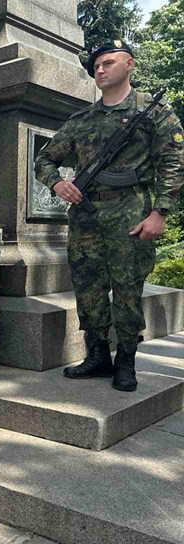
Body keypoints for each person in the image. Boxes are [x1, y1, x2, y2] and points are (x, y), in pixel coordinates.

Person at [35, 40, 184, 392]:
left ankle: (126, 361)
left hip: (130, 210)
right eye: (96, 66)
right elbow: (44, 159)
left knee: (128, 287)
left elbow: (174, 161)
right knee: (88, 286)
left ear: (129, 64)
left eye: (108, 63)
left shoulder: (153, 111)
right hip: (85, 215)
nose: (100, 70)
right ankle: (98, 354)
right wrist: (58, 183)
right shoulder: (81, 120)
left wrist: (160, 212)